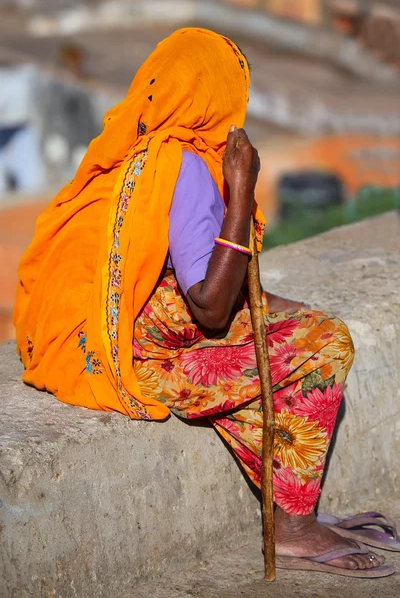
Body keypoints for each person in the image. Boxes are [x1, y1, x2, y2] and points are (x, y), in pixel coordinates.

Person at [14, 28, 396, 578]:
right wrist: (241, 195)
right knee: (328, 344)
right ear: (214, 95)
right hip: (153, 362)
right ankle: (292, 527)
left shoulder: (134, 153)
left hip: (129, 341)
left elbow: (225, 292)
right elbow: (213, 309)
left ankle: (290, 500)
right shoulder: (186, 168)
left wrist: (288, 314)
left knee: (303, 329)